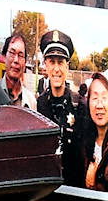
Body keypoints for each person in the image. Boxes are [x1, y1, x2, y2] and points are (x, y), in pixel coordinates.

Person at [33, 30, 93, 186]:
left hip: (73, 188)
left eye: (60, 62)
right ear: (45, 65)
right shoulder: (39, 104)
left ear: (67, 66)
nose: (56, 69)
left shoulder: (80, 105)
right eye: (52, 62)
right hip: (47, 187)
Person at [0, 31, 33, 105]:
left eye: (21, 55)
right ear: (4, 57)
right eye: (12, 53)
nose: (16, 60)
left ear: (25, 62)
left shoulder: (31, 101)